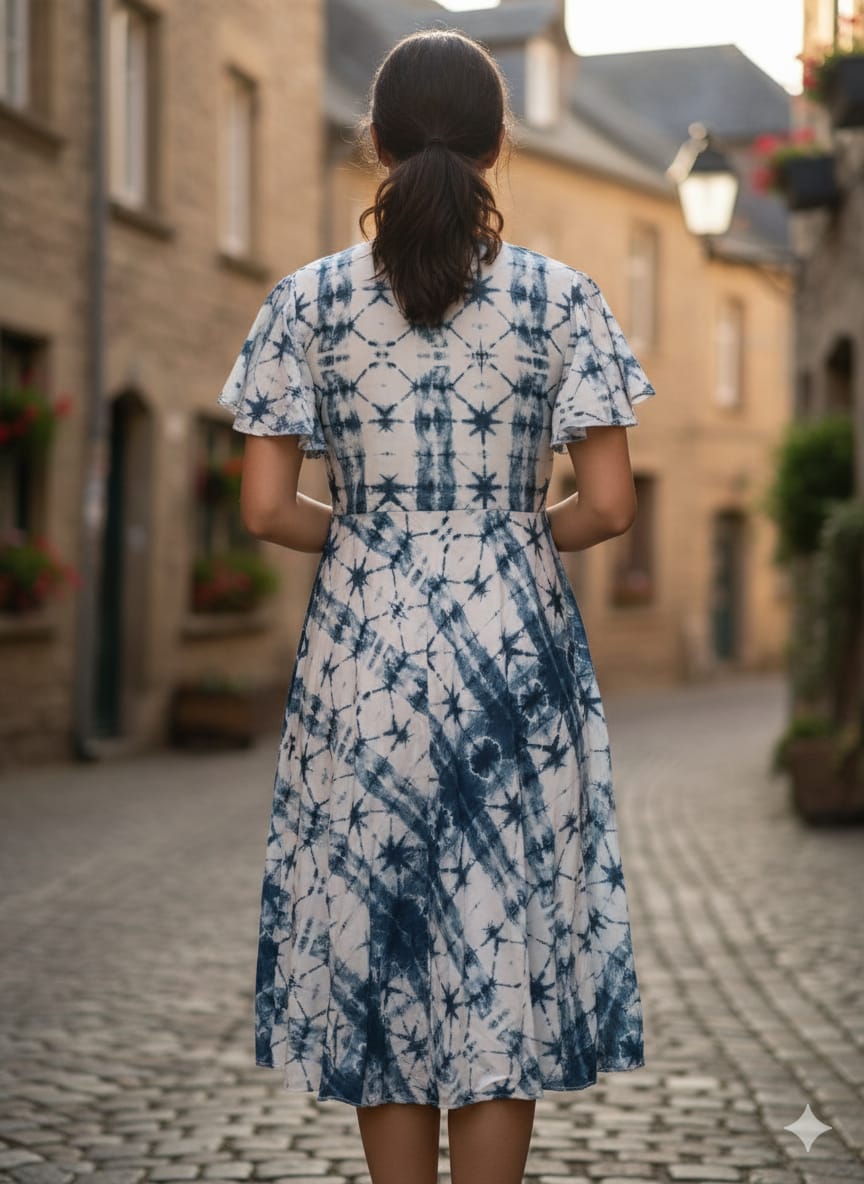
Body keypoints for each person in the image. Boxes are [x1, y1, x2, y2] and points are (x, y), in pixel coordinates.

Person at [217, 27, 654, 1184]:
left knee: (386, 949)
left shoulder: (304, 303)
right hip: (515, 645)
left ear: (378, 141)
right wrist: (505, 535)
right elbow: (608, 506)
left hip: (363, 649)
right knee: (495, 945)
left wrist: (374, 536)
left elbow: (264, 509)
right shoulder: (564, 300)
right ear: (501, 147)